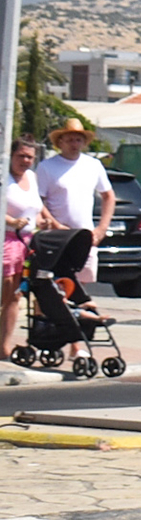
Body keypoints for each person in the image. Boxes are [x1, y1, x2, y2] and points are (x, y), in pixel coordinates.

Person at [34, 121, 113, 354]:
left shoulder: (93, 165)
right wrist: (55, 224)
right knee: (48, 288)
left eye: (78, 139)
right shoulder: (47, 167)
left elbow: (108, 196)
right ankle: (45, 335)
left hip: (84, 238)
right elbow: (38, 200)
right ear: (60, 142)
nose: (74, 144)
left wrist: (101, 229)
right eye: (69, 139)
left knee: (79, 289)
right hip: (55, 239)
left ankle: (76, 344)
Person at [2, 137, 41, 357]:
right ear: (12, 155)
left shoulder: (32, 178)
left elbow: (37, 207)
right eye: (21, 156)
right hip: (6, 239)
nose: (25, 161)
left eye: (30, 157)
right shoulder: (3, 176)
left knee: (16, 295)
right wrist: (10, 221)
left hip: (27, 241)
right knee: (6, 290)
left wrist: (48, 221)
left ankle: (3, 346)